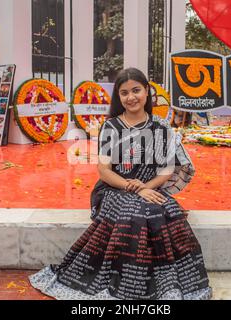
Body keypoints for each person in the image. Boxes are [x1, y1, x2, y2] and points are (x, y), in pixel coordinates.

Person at [29, 68, 212, 300]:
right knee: (134, 214)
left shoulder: (161, 127)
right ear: (119, 97)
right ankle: (126, 286)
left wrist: (146, 187)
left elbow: (166, 170)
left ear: (147, 91)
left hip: (150, 187)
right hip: (114, 188)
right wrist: (131, 187)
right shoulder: (111, 127)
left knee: (168, 212)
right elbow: (104, 171)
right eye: (124, 93)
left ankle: (164, 285)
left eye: (136, 90)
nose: (131, 97)